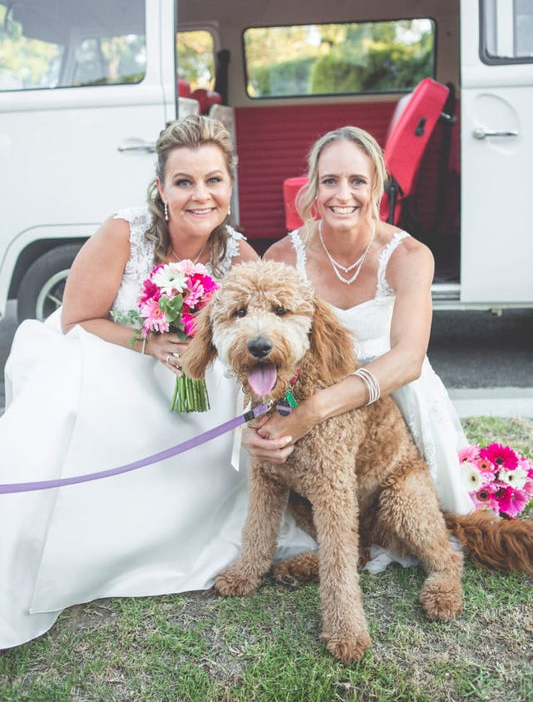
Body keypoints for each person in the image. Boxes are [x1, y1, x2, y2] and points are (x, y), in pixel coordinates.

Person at [0, 114, 315, 649]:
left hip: (195, 382)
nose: (201, 195)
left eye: (214, 180)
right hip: (114, 353)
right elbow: (78, 320)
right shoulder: (124, 233)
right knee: (74, 403)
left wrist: (279, 411)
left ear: (229, 185)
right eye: (184, 181)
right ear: (161, 188)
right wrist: (149, 344)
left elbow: (268, 343)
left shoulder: (239, 254)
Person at [243, 125, 474, 568]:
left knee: (434, 517)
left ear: (377, 186)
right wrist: (270, 416)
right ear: (313, 185)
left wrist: (312, 410)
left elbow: (408, 359)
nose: (341, 194)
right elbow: (268, 349)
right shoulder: (282, 257)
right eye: (330, 181)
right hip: (311, 403)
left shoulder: (409, 256)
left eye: (357, 181)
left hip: (398, 398)